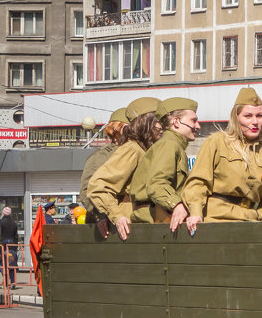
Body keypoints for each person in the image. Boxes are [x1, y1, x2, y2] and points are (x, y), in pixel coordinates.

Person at [182, 88, 262, 230]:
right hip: (216, 219)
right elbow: (198, 182)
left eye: (259, 116)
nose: (255, 121)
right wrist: (195, 213)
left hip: (250, 221)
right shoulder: (217, 142)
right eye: (248, 116)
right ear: (236, 118)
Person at [87, 97, 163, 240]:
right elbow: (97, 185)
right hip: (130, 227)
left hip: (146, 223)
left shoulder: (146, 150)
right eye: (158, 121)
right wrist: (117, 215)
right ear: (147, 122)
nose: (162, 127)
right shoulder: (132, 149)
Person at [130, 97, 199, 231]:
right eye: (193, 120)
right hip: (154, 223)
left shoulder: (174, 145)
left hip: (158, 220)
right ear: (176, 122)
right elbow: (157, 184)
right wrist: (177, 204)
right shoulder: (169, 145)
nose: (197, 126)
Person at [79, 108, 129, 221]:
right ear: (117, 128)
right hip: (106, 223)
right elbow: (86, 192)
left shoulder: (134, 151)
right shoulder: (101, 156)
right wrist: (102, 216)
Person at [0, 206, 19, 288]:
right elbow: (16, 236)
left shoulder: (0, 222)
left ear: (3, 213)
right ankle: (13, 281)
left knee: (2, 263)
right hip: (12, 245)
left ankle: (5, 281)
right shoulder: (14, 222)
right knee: (11, 263)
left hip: (3, 245)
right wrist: (16, 247)